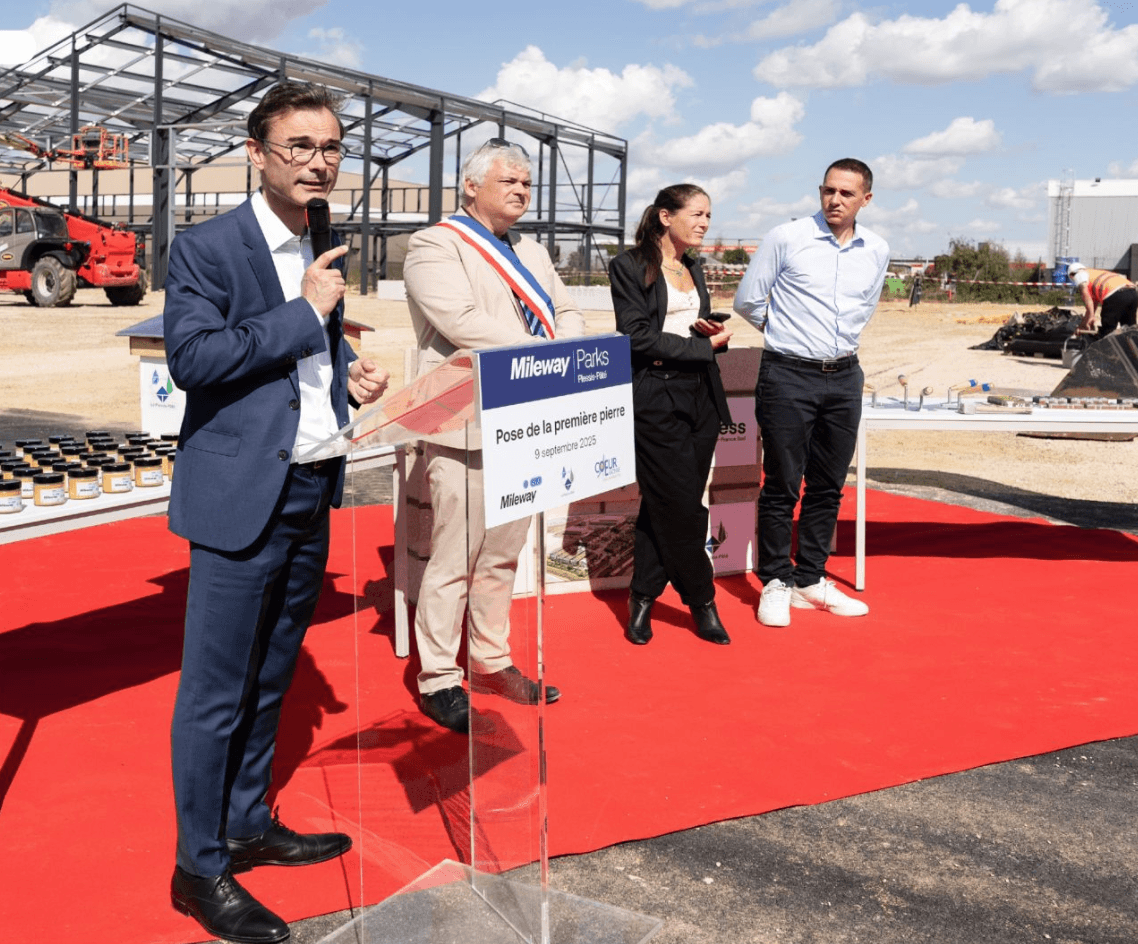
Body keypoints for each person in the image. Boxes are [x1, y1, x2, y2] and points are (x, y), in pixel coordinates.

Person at [163, 81, 389, 944]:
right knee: (215, 692)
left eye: (331, 147)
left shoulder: (323, 239)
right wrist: (305, 314)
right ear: (256, 153)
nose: (319, 162)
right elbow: (193, 359)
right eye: (300, 146)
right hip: (239, 496)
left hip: (311, 485)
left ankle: (248, 823)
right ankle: (198, 868)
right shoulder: (208, 247)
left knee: (271, 676)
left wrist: (345, 379)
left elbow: (303, 361)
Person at [403, 139, 585, 733]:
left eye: (527, 183)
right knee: (454, 557)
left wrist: (565, 345)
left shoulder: (532, 250)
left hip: (527, 424)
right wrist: (544, 354)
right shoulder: (436, 244)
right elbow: (460, 322)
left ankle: (490, 659)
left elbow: (566, 310)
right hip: (468, 423)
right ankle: (438, 676)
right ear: (471, 185)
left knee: (503, 556)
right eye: (509, 180)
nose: (521, 191)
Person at [734, 158, 889, 628]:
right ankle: (775, 581)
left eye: (846, 193)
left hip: (844, 377)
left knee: (827, 485)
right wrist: (787, 335)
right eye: (828, 190)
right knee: (782, 483)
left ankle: (811, 578)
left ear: (866, 199)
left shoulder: (877, 249)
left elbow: (867, 306)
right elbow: (748, 301)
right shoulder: (787, 237)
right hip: (788, 375)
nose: (834, 200)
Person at [608, 184, 733, 646]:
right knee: (682, 505)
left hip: (702, 394)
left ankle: (642, 595)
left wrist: (708, 334)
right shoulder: (629, 265)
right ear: (666, 216)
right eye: (696, 214)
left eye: (708, 215)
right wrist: (701, 347)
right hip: (655, 396)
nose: (704, 223)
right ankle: (702, 599)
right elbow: (636, 336)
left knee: (665, 502)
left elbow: (683, 329)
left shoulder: (693, 266)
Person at [1066, 262, 1138, 339]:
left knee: (1107, 331)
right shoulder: (1094, 273)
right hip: (1132, 292)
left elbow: (1086, 295)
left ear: (1071, 275)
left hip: (1114, 294)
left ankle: (1106, 345)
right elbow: (1092, 304)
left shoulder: (1079, 274)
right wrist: (1087, 319)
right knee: (1129, 328)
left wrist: (1091, 316)